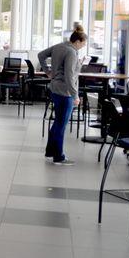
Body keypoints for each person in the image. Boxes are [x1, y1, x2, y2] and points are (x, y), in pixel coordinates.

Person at [38, 24, 88, 166]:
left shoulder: (59, 46)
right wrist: (76, 96)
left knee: (57, 122)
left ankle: (50, 152)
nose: (82, 47)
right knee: (61, 124)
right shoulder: (72, 52)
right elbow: (70, 76)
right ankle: (58, 156)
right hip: (66, 92)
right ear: (77, 41)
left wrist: (47, 71)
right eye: (83, 44)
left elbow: (41, 55)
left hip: (55, 89)